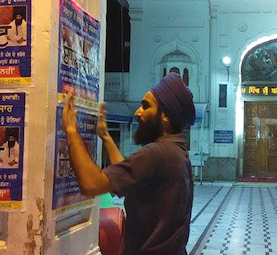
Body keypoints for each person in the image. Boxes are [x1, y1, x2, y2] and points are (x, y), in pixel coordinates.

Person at [62, 72, 196, 255]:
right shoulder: (177, 151)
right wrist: (106, 137)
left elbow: (91, 183)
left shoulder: (158, 153)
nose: (137, 112)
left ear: (165, 116)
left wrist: (70, 130)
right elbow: (128, 178)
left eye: (146, 106)